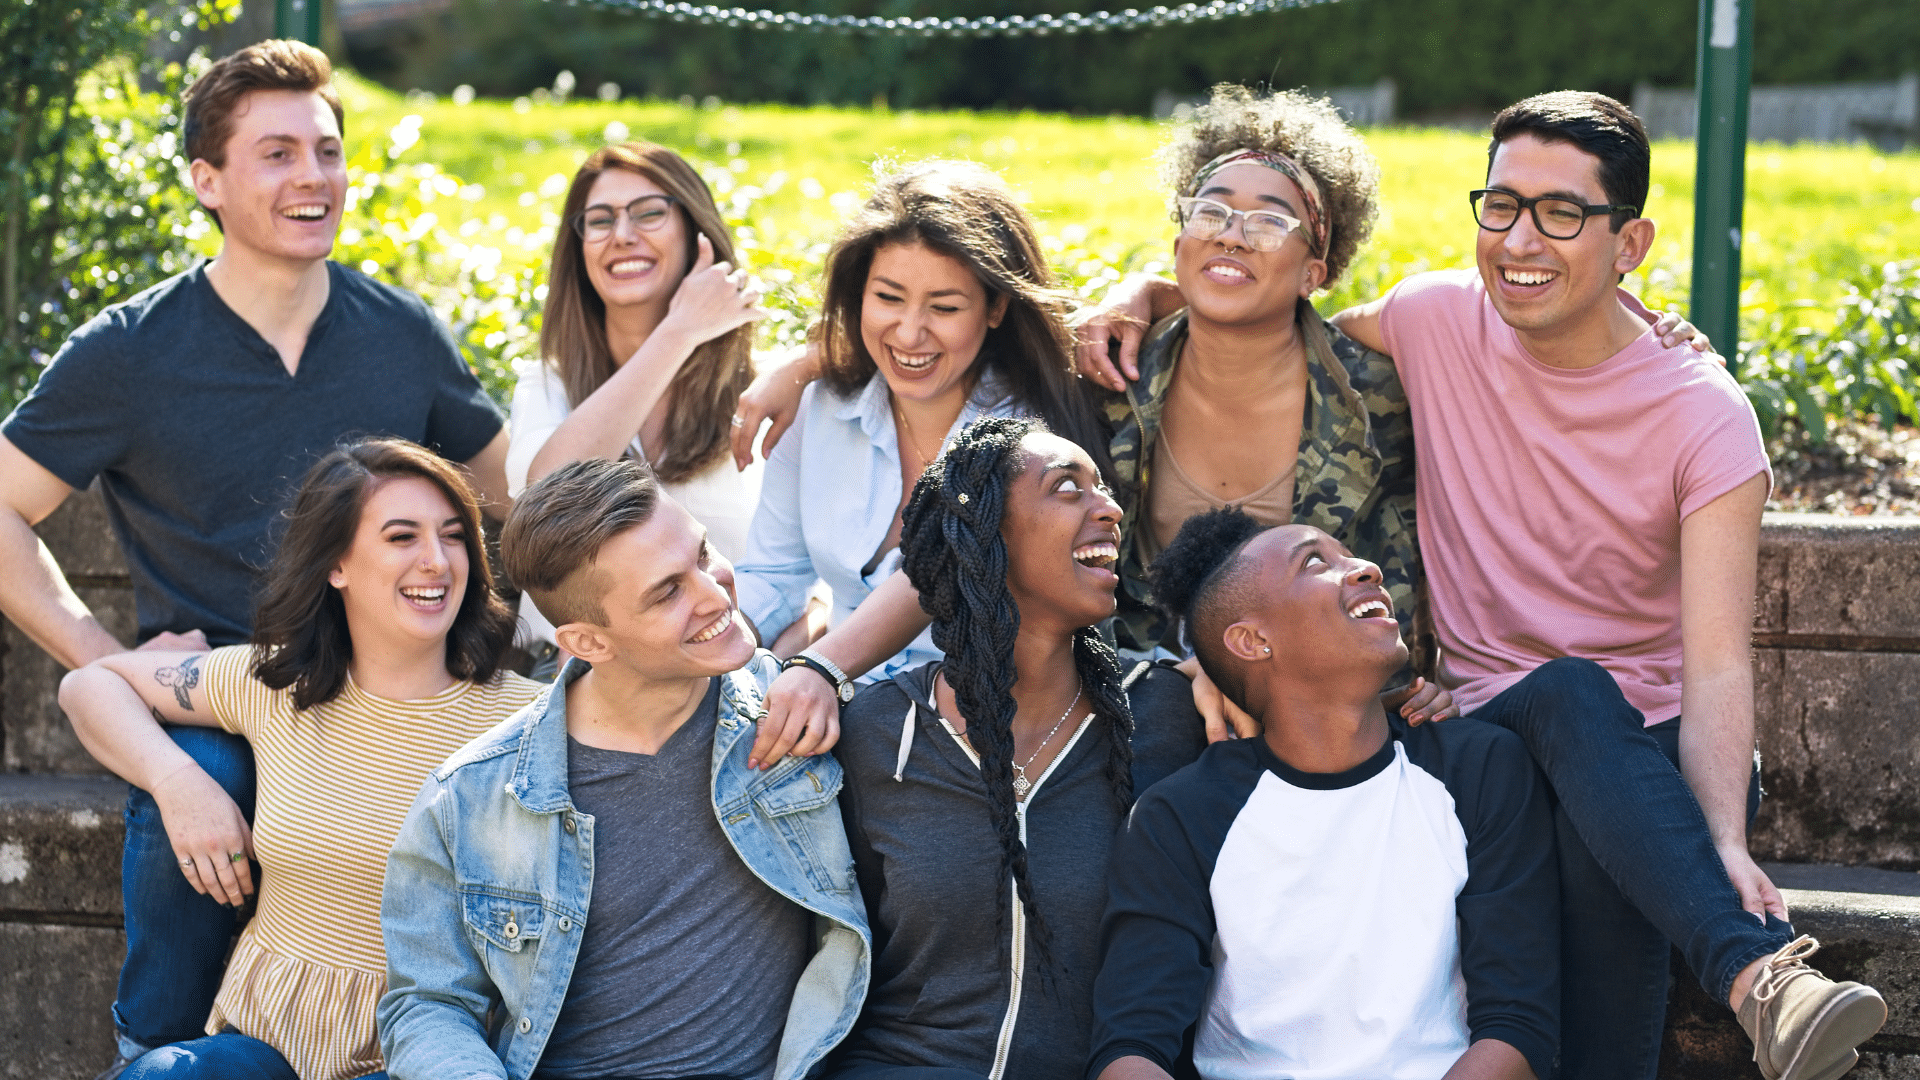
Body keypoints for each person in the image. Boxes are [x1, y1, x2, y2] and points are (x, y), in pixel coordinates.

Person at [1326, 91, 1885, 1080]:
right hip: (1482, 730)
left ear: (1630, 243)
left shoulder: (1703, 414)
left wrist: (1722, 838)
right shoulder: (1433, 318)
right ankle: (1764, 979)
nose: (1518, 240)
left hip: (1654, 748)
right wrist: (1147, 298)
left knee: (1597, 807)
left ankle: (1761, 986)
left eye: (1561, 214)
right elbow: (1282, 323)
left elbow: (1717, 663)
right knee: (1571, 693)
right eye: (1501, 205)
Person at [2, 40, 511, 1075]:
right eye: (276, 154)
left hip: (388, 690)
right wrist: (105, 657)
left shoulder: (401, 333)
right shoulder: (130, 350)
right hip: (222, 696)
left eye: (326, 150)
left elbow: (503, 503)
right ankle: (155, 1048)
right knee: (204, 774)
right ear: (207, 180)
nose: (312, 177)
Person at [58, 437, 539, 1080]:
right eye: (402, 537)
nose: (437, 560)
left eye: (453, 537)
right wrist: (177, 781)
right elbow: (89, 686)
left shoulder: (527, 720)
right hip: (262, 1046)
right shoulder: (276, 685)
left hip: (417, 1056)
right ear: (336, 564)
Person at [378, 458, 869, 1080]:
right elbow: (428, 1004)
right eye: (668, 592)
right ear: (588, 643)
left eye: (703, 554)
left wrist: (826, 668)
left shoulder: (796, 713)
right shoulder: (470, 798)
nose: (715, 594)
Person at [1088, 511, 1557, 1080]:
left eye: (1350, 553)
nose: (1366, 568)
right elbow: (1131, 1046)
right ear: (1253, 640)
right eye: (1315, 562)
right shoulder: (1180, 817)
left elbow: (1518, 1025)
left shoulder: (1478, 768)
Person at [828, 417, 1208, 1080]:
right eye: (1067, 489)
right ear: (987, 534)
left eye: (1103, 489)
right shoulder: (880, 732)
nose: (1110, 509)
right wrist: (812, 668)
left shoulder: (1168, 711)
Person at [731, 158, 1112, 719]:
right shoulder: (821, 406)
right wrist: (708, 645)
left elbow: (932, 571)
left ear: (996, 307)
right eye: (888, 298)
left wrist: (818, 669)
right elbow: (774, 575)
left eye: (945, 307)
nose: (910, 333)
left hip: (976, 721)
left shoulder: (1031, 439)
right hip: (832, 701)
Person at [505, 140, 768, 664]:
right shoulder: (547, 385)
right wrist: (679, 332)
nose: (622, 235)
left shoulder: (761, 388)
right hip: (576, 670)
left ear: (696, 233)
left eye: (648, 213)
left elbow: (798, 568)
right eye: (599, 221)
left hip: (737, 658)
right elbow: (549, 494)